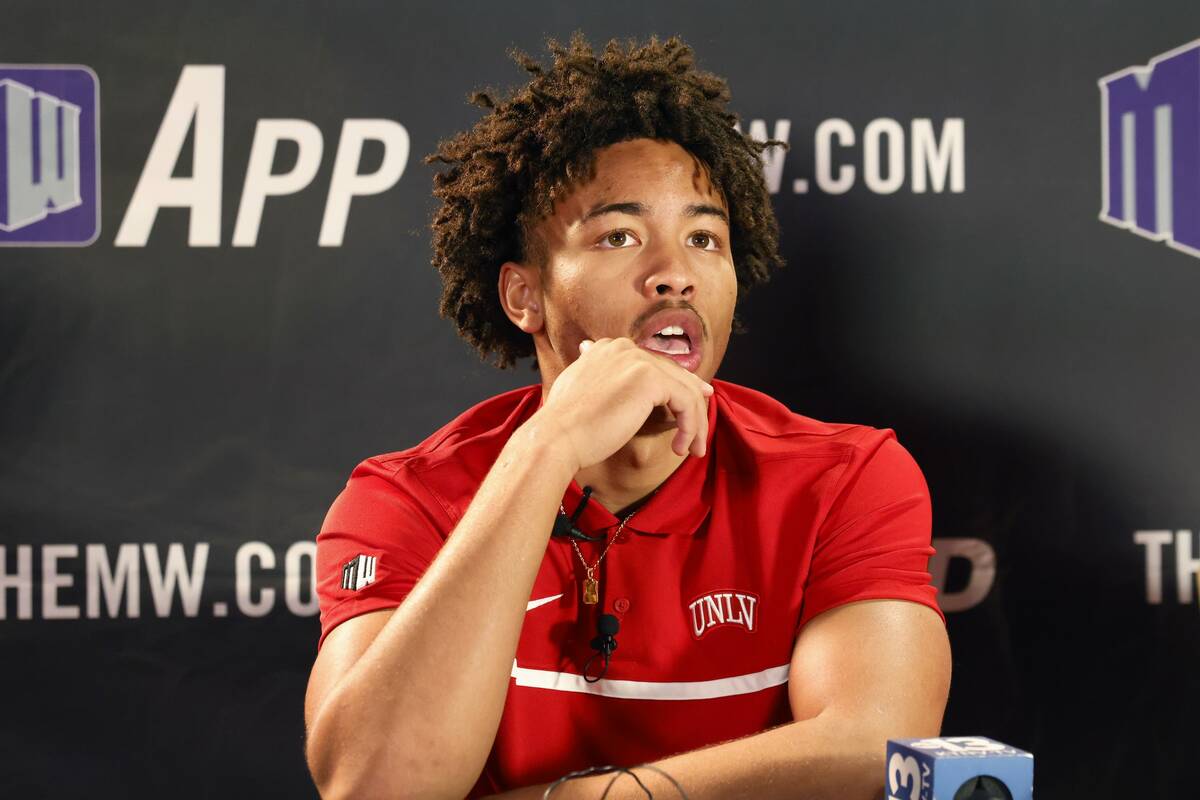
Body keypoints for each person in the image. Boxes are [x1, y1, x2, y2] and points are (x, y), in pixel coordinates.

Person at [303, 33, 951, 800]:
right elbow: (372, 786)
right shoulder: (405, 499)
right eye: (619, 236)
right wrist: (546, 448)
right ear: (524, 297)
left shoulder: (846, 476)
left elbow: (874, 749)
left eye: (705, 239)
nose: (675, 274)